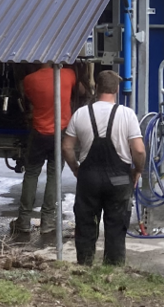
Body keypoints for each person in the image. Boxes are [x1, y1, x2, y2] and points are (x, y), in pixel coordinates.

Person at [61, 69, 145, 266]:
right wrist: (137, 171)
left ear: (97, 87)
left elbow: (66, 147)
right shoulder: (127, 114)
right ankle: (112, 271)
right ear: (116, 90)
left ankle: (85, 267)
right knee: (116, 228)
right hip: (119, 180)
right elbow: (139, 150)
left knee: (85, 225)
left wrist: (75, 168)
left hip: (89, 179)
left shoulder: (81, 113)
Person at [15, 62, 77, 242]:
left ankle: (23, 221)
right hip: (60, 133)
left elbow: (28, 98)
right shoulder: (68, 74)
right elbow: (80, 90)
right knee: (54, 175)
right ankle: (48, 222)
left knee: (31, 174)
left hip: (39, 133)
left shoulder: (30, 80)